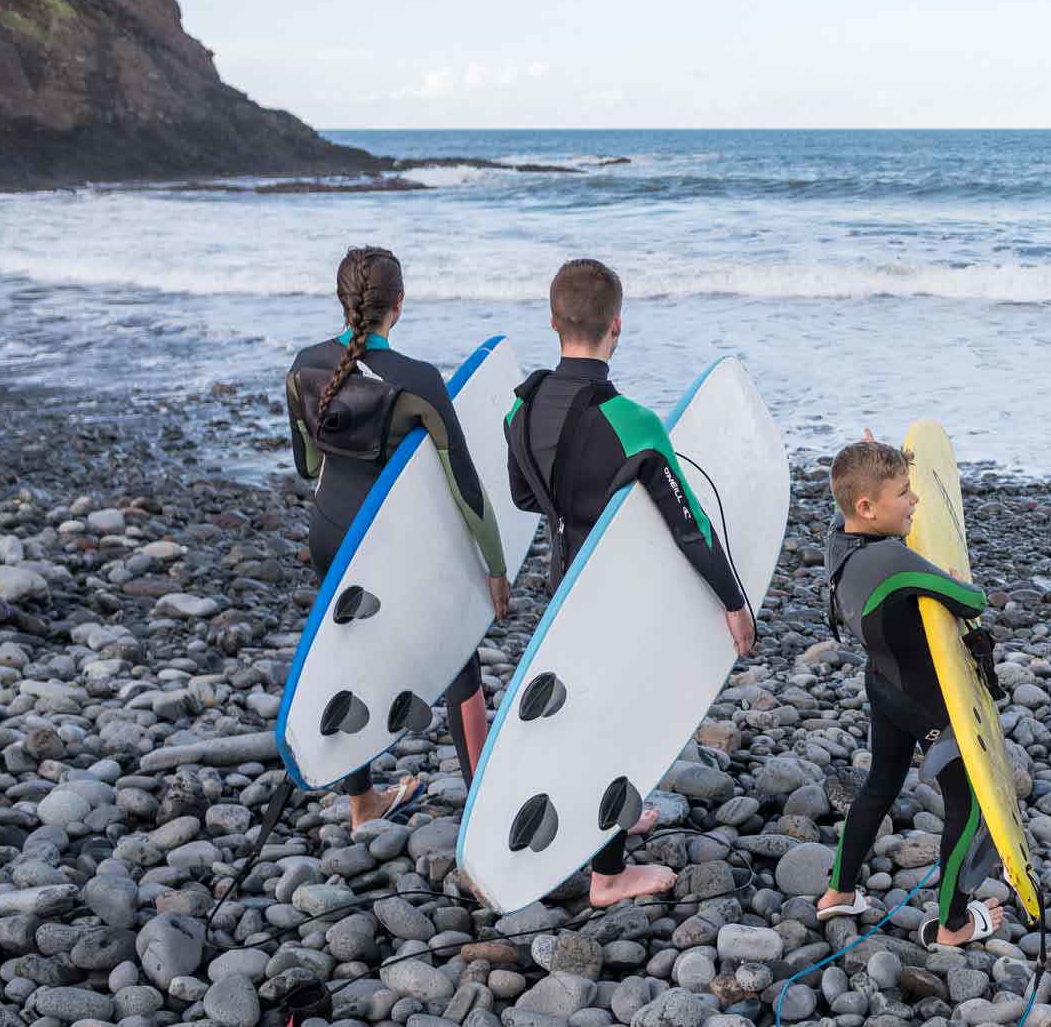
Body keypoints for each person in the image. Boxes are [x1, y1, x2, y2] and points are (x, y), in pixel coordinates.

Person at [505, 258, 756, 908]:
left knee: (587, 712)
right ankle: (608, 874)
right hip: (620, 598)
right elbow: (690, 525)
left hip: (563, 589)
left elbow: (522, 496)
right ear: (617, 326)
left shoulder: (520, 408)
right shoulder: (632, 422)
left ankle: (608, 818)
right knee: (623, 721)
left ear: (554, 321)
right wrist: (733, 602)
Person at [285, 246, 510, 830]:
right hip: (392, 547)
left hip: (331, 536)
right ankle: (483, 809)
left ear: (342, 301)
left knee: (349, 657)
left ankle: (362, 806)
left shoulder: (304, 367)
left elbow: (309, 467)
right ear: (399, 305)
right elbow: (466, 487)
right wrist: (496, 567)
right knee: (459, 656)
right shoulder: (418, 381)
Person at [815, 435, 1006, 950]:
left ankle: (839, 892)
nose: (915, 502)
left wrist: (873, 462)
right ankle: (952, 924)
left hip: (883, 686)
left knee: (879, 785)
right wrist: (945, 576)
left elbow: (853, 503)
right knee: (967, 807)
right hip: (927, 703)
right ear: (867, 505)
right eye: (904, 493)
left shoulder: (840, 539)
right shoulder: (893, 563)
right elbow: (971, 600)